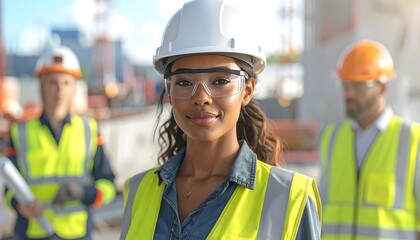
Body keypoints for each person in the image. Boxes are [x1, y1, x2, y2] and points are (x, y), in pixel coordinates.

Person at [120, 0, 322, 239]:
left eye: (220, 81)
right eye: (184, 82)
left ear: (247, 91)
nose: (201, 97)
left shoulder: (290, 198)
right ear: (170, 92)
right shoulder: (138, 191)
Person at [3, 46, 116, 239]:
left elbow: (108, 185)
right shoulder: (20, 132)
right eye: (52, 83)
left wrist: (83, 193)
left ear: (74, 87)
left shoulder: (90, 130)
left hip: (76, 232)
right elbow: (8, 191)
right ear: (41, 84)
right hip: (32, 231)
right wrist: (18, 204)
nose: (60, 90)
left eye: (66, 83)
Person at [320, 39, 420, 239]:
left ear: (382, 88)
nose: (348, 93)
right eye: (345, 84)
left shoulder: (411, 139)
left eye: (358, 86)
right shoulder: (332, 137)